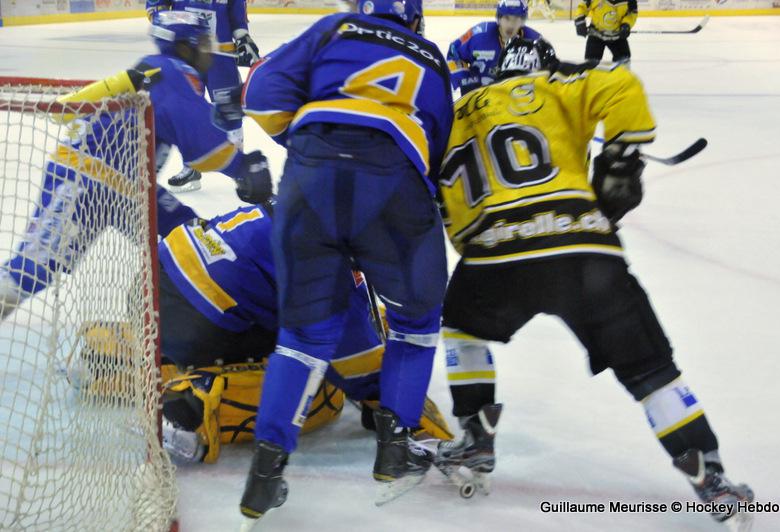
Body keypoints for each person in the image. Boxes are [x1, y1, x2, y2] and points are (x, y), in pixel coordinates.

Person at [434, 38, 754, 527]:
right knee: (650, 369)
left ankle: (476, 436)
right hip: (584, 250)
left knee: (462, 328)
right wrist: (620, 159)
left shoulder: (456, 114)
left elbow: (451, 210)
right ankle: (711, 476)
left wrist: (485, 245)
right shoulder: (556, 84)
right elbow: (621, 85)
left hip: (495, 253)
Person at [235, 0, 453, 523]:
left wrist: (313, 144)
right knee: (416, 322)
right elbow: (438, 157)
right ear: (414, 20)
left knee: (303, 337)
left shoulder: (336, 26)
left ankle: (266, 472)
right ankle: (394, 449)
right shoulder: (430, 55)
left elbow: (259, 93)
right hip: (393, 185)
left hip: (310, 175)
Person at [0, 11, 270, 320]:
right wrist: (241, 167)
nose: (210, 50)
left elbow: (189, 122)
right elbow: (200, 142)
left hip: (128, 186)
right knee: (32, 269)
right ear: (185, 47)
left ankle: (170, 316)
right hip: (85, 178)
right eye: (204, 43)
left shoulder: (166, 71)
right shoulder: (170, 72)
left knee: (190, 235)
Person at [148, 200, 452, 464]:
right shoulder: (334, 270)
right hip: (194, 319)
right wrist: (416, 420)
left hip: (157, 283)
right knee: (317, 389)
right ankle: (188, 410)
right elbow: (360, 369)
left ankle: (152, 358)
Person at [146, 0, 260, 192]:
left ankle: (240, 170)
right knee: (185, 110)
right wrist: (173, 27)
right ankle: (191, 167)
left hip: (221, 55)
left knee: (229, 109)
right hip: (185, 53)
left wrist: (243, 38)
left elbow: (237, 16)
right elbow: (156, 7)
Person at [447, 0, 542, 96]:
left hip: (518, 101)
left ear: (522, 21)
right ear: (499, 18)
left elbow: (547, 71)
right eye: (507, 18)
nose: (510, 25)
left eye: (516, 19)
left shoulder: (536, 40)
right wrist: (465, 78)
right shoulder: (478, 34)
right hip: (477, 100)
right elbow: (453, 51)